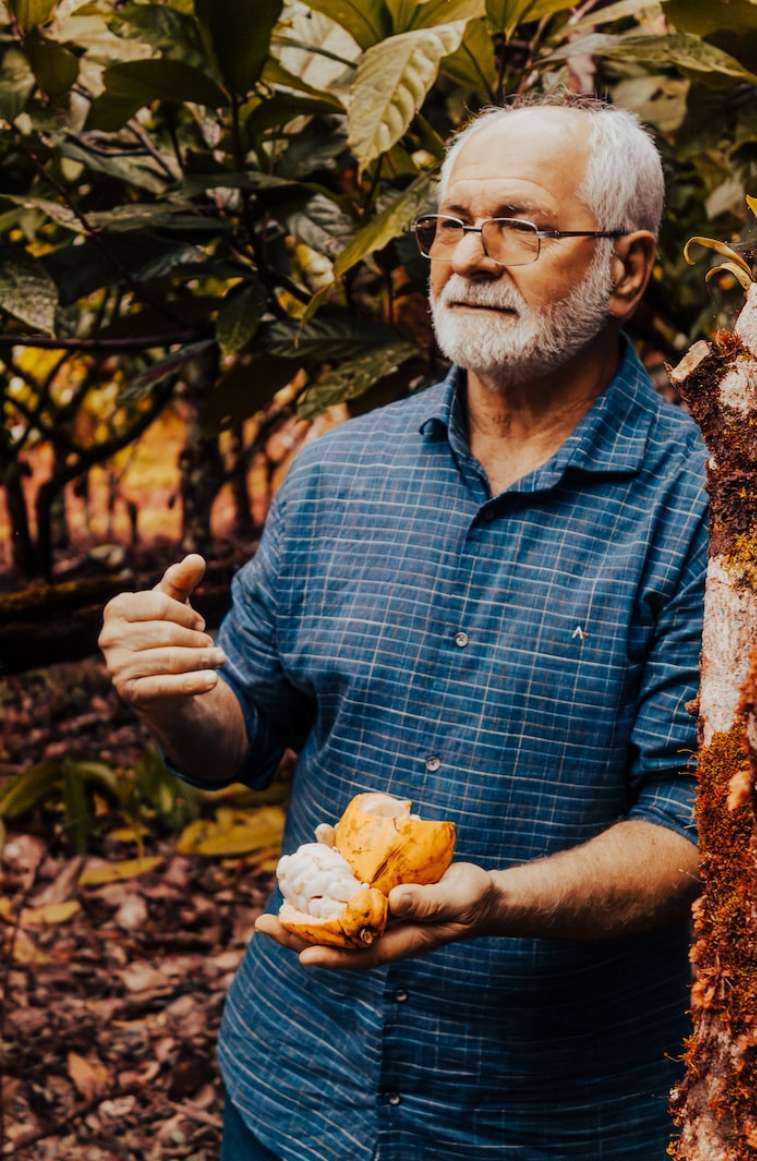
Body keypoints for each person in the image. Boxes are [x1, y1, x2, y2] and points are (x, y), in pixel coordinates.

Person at [99, 93, 708, 1161]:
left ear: (628, 267)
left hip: (547, 1121)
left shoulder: (701, 512)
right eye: (450, 223)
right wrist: (177, 699)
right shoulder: (340, 472)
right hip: (294, 1082)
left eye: (521, 224)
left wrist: (490, 902)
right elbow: (240, 732)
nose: (470, 257)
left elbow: (691, 829)